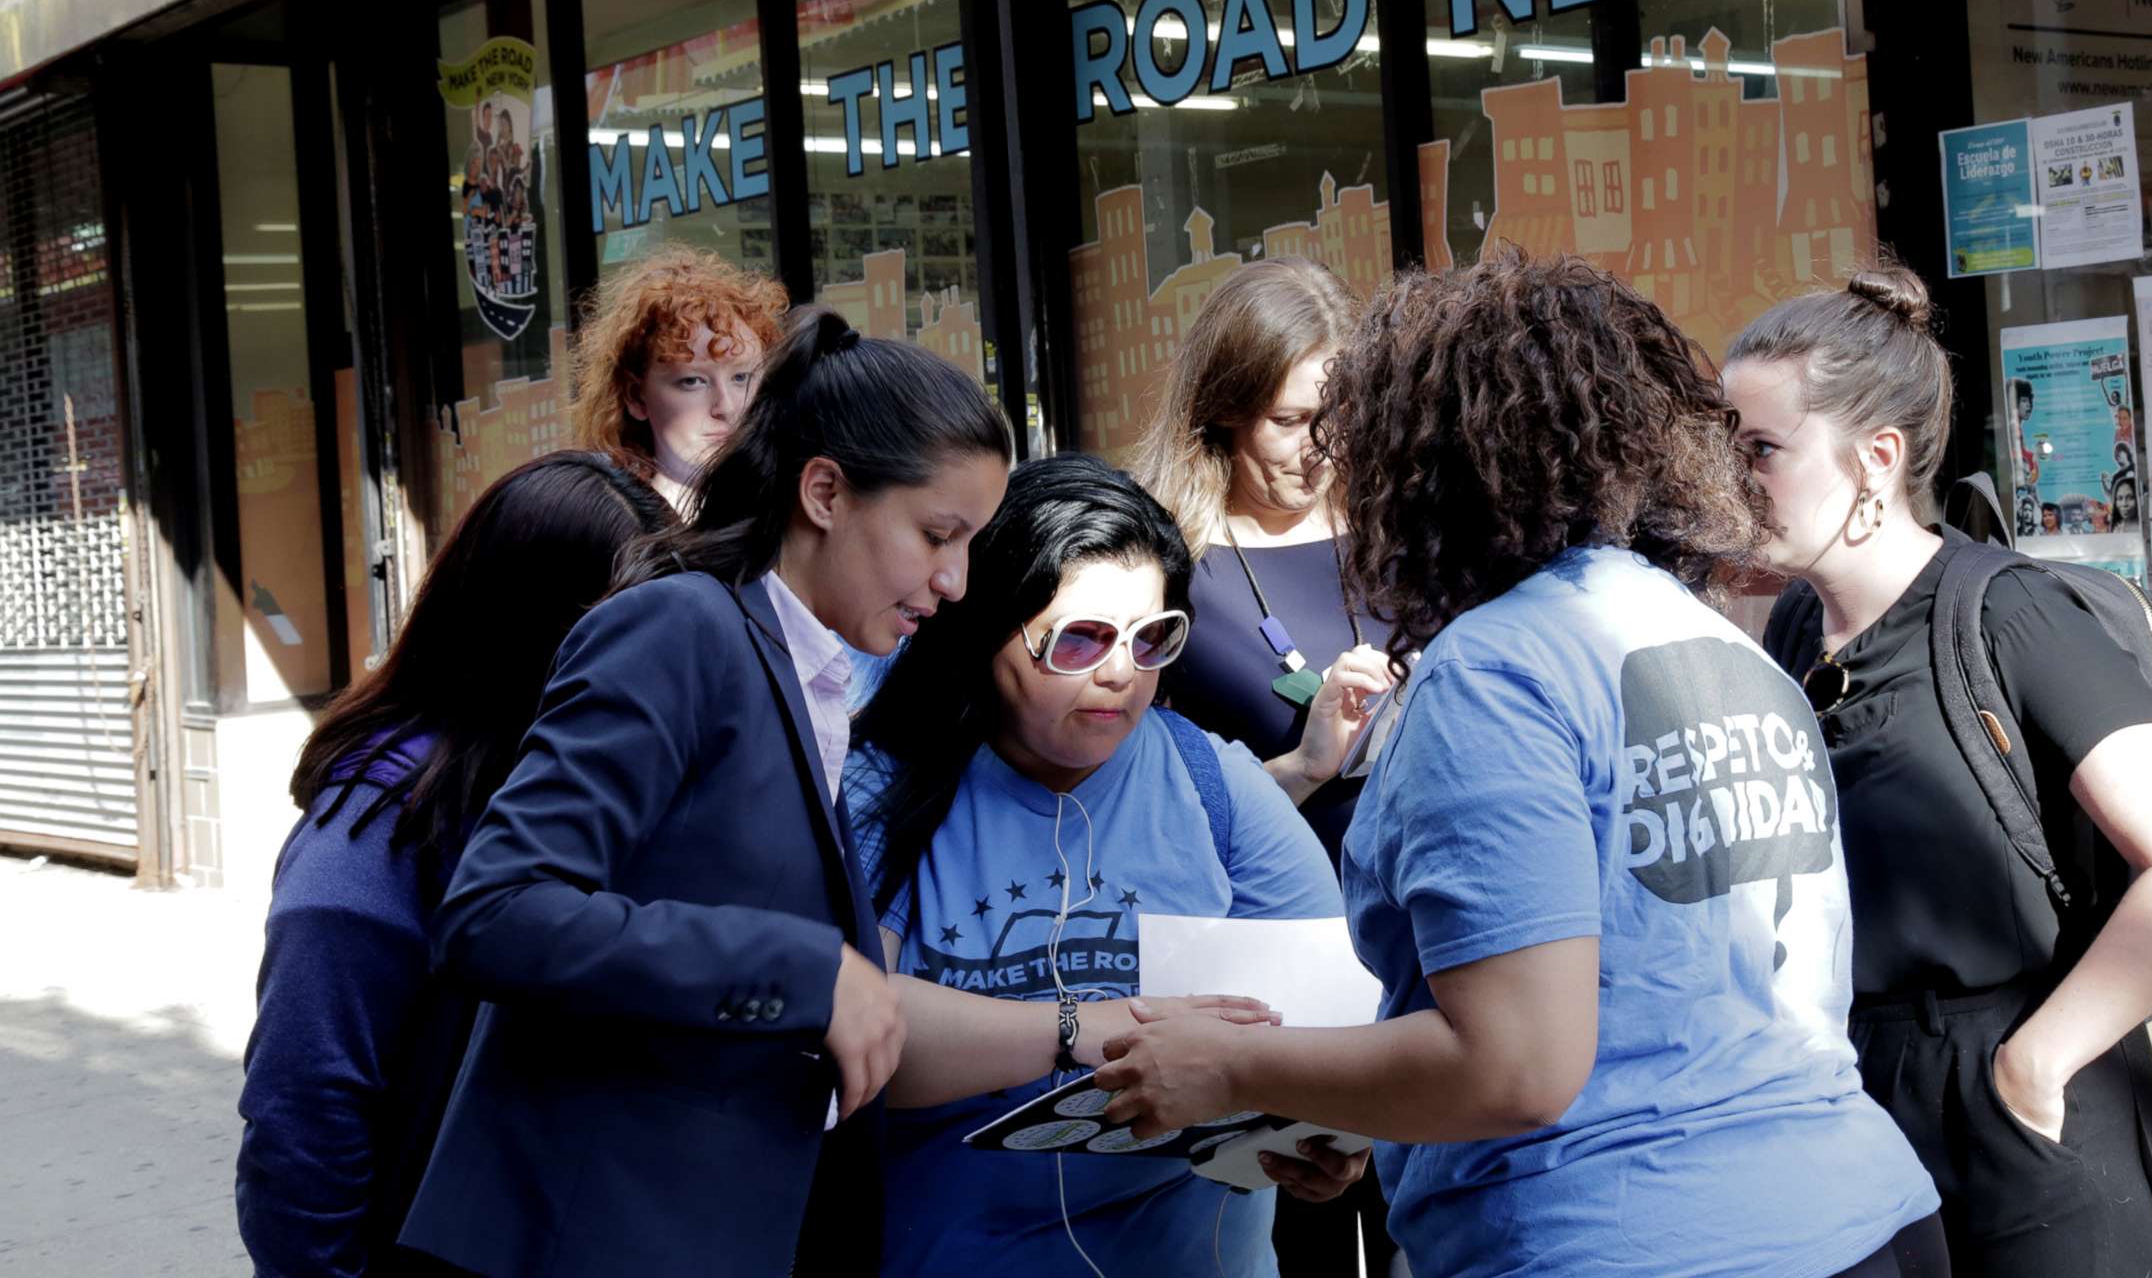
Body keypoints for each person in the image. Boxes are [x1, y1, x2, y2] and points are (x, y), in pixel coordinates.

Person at [1095, 254, 1946, 1278]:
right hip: (1860, 1212)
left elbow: (1518, 1065)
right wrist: (1355, 1108)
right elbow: (1651, 998)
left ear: (1419, 467)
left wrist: (1228, 1065)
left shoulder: (1496, 671)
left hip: (1632, 1238)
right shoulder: (1713, 642)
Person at [398, 312, 1013, 1278]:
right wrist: (804, 968)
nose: (956, 578)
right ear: (824, 491)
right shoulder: (680, 628)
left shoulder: (810, 664)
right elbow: (497, 911)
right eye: (939, 535)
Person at [1723, 263, 2152, 1278]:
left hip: (2021, 1106)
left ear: (1874, 460)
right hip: (1857, 1096)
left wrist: (2034, 1065)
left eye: (1762, 449)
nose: (1734, 473)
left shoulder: (2007, 612)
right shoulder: (1794, 626)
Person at [843, 451, 1362, 1277]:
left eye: (1152, 638)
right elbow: (853, 1030)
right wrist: (1081, 1032)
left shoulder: (1215, 785)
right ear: (986, 630)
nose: (1121, 672)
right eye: (1079, 640)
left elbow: (1340, 1019)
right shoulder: (887, 787)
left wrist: (1325, 1134)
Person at [236, 452, 667, 1277]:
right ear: (547, 638)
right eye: (639, 630)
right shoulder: (371, 831)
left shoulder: (589, 783)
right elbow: (302, 1115)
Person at [1128, 257, 1401, 1274]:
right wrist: (1304, 765)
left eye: (1336, 419)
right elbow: (1143, 809)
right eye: (1291, 422)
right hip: (1268, 976)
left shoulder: (1394, 534)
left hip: (1414, 950)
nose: (1318, 449)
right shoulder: (1163, 565)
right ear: (1224, 409)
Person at [569, 243, 789, 511]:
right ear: (635, 396)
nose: (726, 407)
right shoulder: (623, 530)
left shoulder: (793, 504)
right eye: (692, 381)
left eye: (742, 377)